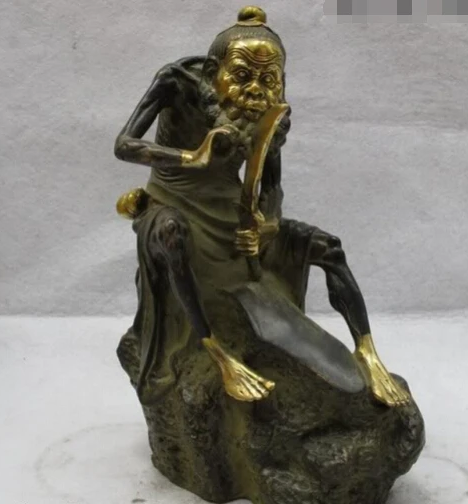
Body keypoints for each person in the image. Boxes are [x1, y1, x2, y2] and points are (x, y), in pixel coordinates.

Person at [114, 6, 409, 407]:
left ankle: (368, 353)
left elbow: (270, 188)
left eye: (268, 80)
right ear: (214, 72)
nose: (254, 90)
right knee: (172, 234)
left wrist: (265, 227)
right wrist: (192, 158)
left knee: (329, 247)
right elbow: (124, 145)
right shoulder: (176, 82)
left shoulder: (265, 115)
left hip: (232, 216)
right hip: (171, 201)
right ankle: (216, 352)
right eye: (242, 76)